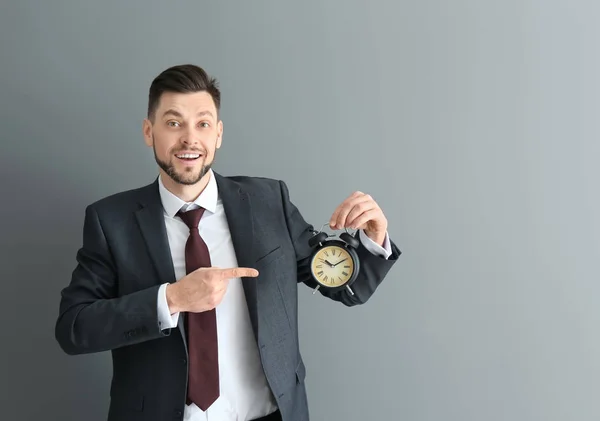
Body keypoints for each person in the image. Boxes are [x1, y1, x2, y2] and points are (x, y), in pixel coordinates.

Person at [54, 64, 401, 421]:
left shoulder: (269, 201)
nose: (190, 139)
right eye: (174, 123)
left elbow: (345, 287)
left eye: (203, 124)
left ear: (218, 133)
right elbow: (74, 329)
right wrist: (170, 299)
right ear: (148, 131)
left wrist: (373, 241)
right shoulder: (111, 221)